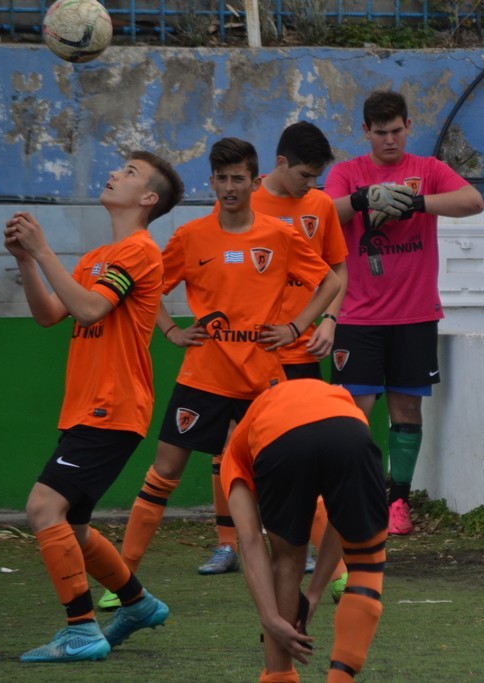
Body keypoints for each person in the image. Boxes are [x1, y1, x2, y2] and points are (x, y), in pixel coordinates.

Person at [111, 138, 340, 594]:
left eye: (238, 178)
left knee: (292, 472)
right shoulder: (190, 237)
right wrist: (170, 331)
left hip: (263, 380)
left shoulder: (279, 235)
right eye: (222, 178)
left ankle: (338, 576)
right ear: (212, 183)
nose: (230, 187)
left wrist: (295, 328)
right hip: (203, 377)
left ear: (255, 182)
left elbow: (329, 281)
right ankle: (120, 579)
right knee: (164, 472)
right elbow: (146, 286)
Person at [5, 151, 184, 662]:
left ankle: (81, 631)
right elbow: (51, 314)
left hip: (113, 406)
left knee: (44, 507)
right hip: (88, 408)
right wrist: (26, 260)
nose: (113, 174)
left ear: (148, 198)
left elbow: (89, 309)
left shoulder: (140, 252)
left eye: (129, 173)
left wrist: (43, 250)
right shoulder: (96, 259)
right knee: (75, 528)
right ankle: (138, 603)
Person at [324, 90, 484, 536]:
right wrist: (362, 200)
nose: (390, 140)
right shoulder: (347, 172)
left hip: (415, 314)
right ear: (365, 132)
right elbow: (322, 215)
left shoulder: (427, 170)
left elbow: (473, 201)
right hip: (358, 316)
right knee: (354, 414)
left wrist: (417, 203)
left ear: (408, 126)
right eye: (381, 133)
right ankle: (357, 498)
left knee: (406, 412)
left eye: (397, 130)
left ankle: (398, 502)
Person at [201, 122, 349, 589]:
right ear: (280, 164)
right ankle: (227, 542)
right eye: (305, 175)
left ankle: (301, 542)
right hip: (248, 347)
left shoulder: (320, 206)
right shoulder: (242, 200)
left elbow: (336, 268)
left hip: (299, 345)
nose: (311, 184)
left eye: (316, 176)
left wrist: (329, 321)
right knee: (232, 443)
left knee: (301, 445)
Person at [221, 379, 388, 683]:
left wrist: (271, 619)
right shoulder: (309, 396)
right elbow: (339, 517)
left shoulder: (233, 454)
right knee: (367, 562)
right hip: (349, 427)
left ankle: (280, 676)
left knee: (287, 560)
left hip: (281, 438)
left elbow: (250, 540)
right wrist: (313, 594)